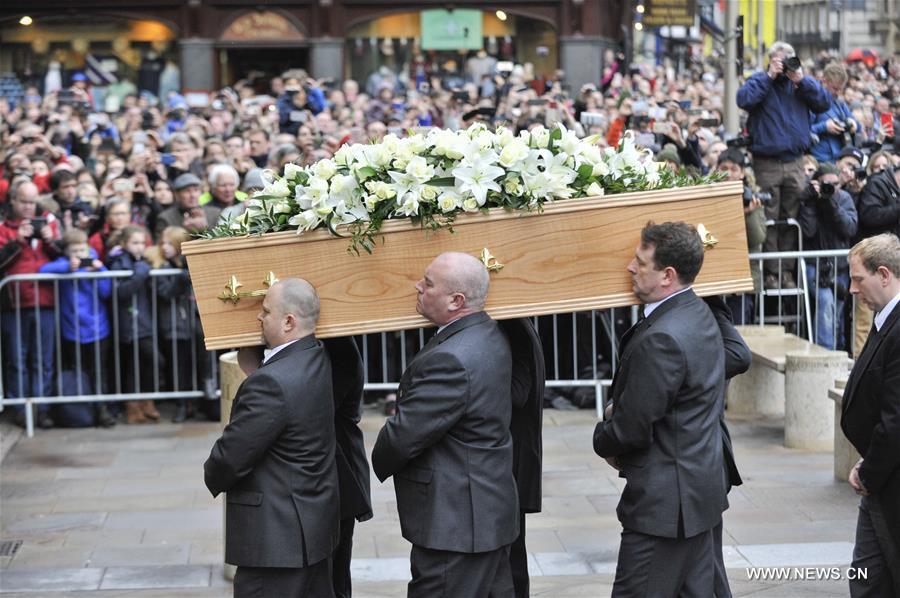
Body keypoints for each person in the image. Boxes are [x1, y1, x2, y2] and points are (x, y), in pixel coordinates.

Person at [371, 252, 519, 597]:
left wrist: (379, 456)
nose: (418, 287)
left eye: (428, 283)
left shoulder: (451, 358)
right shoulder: (488, 333)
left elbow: (405, 436)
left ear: (457, 300)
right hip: (484, 513)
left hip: (457, 524)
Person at [593, 221, 727, 597]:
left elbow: (632, 427)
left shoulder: (664, 336)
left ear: (668, 275)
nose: (630, 268)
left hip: (665, 509)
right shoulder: (698, 314)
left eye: (640, 262)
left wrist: (603, 433)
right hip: (697, 496)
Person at [204, 278, 339, 598]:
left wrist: (212, 472)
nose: (258, 318)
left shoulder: (270, 384)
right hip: (312, 527)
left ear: (289, 321)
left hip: (276, 541)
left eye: (266, 311)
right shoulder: (317, 355)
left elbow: (229, 458)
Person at [737, 41, 830, 289]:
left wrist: (801, 79)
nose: (784, 64)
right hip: (766, 162)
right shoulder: (760, 81)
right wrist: (769, 76)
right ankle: (770, 272)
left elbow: (824, 103)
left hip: (796, 161)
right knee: (769, 217)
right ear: (770, 60)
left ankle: (786, 272)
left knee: (791, 218)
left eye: (788, 59)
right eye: (779, 60)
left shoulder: (799, 86)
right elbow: (743, 99)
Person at [840, 233, 900, 596]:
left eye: (857, 279)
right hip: (880, 476)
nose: (852, 289)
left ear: (884, 274)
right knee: (869, 579)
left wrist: (869, 471)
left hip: (889, 482)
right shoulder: (885, 319)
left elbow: (896, 421)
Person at [0, 181, 62, 428]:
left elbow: (65, 256)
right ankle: (19, 408)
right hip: (14, 303)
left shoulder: (49, 222)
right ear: (13, 201)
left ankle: (41, 408)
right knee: (17, 359)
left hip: (45, 300)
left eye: (32, 201)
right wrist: (18, 240)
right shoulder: (4, 228)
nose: (28, 207)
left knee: (43, 360)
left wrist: (49, 241)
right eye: (24, 202)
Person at [38, 228, 115, 427]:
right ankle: (83, 411)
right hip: (72, 330)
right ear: (67, 252)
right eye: (75, 251)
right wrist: (69, 268)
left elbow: (107, 292)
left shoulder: (95, 264)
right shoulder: (64, 266)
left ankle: (103, 410)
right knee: (78, 373)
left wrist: (100, 270)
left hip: (98, 328)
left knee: (99, 372)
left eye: (83, 250)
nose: (80, 255)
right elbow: (42, 270)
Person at [497, 317, 544, 598]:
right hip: (508, 461)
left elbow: (517, 392)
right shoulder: (514, 325)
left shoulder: (511, 328)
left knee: (509, 563)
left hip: (508, 463)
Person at [322, 336, 373, 598]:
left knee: (333, 575)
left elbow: (315, 407)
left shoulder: (340, 349)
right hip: (331, 468)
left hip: (337, 470)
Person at [798, 162, 858, 350]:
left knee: (837, 315)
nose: (831, 187)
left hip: (839, 267)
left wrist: (831, 203)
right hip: (815, 267)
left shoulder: (844, 198)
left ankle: (837, 354)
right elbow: (807, 231)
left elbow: (849, 228)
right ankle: (825, 354)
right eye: (826, 183)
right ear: (816, 183)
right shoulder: (810, 200)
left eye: (835, 184)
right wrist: (809, 202)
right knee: (826, 306)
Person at [106, 225, 159, 424]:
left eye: (142, 243)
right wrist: (141, 273)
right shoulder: (119, 262)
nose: (139, 247)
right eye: (135, 243)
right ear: (124, 244)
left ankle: (145, 402)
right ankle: (133, 406)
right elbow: (121, 292)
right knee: (134, 365)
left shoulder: (140, 262)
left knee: (146, 362)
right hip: (129, 322)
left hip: (142, 320)